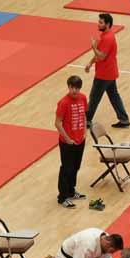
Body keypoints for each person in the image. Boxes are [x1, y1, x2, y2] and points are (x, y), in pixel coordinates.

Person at [84, 13, 130, 129]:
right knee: (114, 96)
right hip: (110, 72)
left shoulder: (107, 38)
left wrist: (93, 47)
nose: (98, 24)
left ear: (107, 24)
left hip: (103, 74)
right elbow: (100, 54)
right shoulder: (107, 35)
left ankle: (87, 120)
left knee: (94, 98)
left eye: (101, 22)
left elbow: (101, 56)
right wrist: (90, 63)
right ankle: (124, 119)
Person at [55, 75, 88, 208]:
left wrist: (84, 132)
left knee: (75, 167)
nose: (74, 90)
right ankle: (62, 197)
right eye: (72, 87)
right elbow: (58, 123)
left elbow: (84, 115)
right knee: (66, 168)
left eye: (77, 88)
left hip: (80, 140)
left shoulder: (83, 98)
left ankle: (71, 191)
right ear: (68, 87)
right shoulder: (63, 103)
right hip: (67, 142)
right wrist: (68, 139)